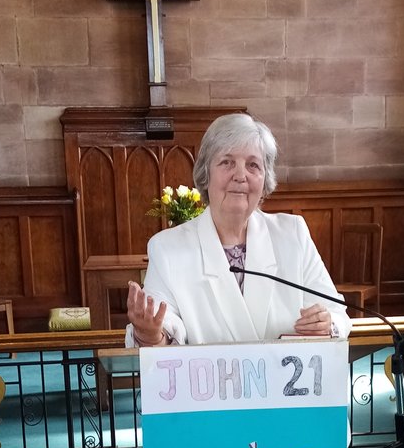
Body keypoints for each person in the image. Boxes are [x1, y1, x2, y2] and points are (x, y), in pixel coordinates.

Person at [125, 113, 351, 347]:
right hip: (209, 384)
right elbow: (163, 324)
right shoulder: (167, 248)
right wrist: (151, 335)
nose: (241, 176)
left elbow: (338, 315)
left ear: (265, 179)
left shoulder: (293, 234)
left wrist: (327, 324)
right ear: (206, 173)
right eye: (227, 162)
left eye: (253, 165)